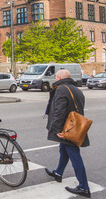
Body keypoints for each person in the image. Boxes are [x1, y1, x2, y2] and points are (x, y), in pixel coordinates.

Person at [44, 70, 91, 198]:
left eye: (56, 76)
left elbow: (60, 111)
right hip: (74, 127)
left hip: (67, 129)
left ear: (59, 77)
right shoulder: (76, 89)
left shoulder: (61, 89)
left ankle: (84, 187)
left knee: (74, 155)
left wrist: (59, 130)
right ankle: (58, 173)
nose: (55, 78)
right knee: (63, 149)